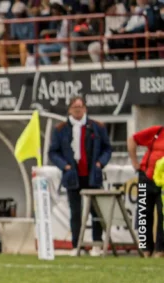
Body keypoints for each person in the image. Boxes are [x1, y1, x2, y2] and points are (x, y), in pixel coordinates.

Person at [48, 96, 112, 256]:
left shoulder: (96, 127)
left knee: (95, 211)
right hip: (73, 175)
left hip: (92, 175)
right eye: (74, 108)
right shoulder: (60, 129)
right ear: (70, 109)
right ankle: (77, 245)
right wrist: (66, 166)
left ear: (85, 109)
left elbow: (107, 149)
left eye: (80, 107)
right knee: (75, 212)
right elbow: (53, 152)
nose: (78, 111)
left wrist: (99, 164)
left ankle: (97, 244)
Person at [127, 124, 164, 257]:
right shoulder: (158, 131)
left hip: (163, 182)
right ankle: (145, 248)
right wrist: (134, 162)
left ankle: (160, 250)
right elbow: (132, 139)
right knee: (143, 212)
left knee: (162, 214)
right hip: (146, 176)